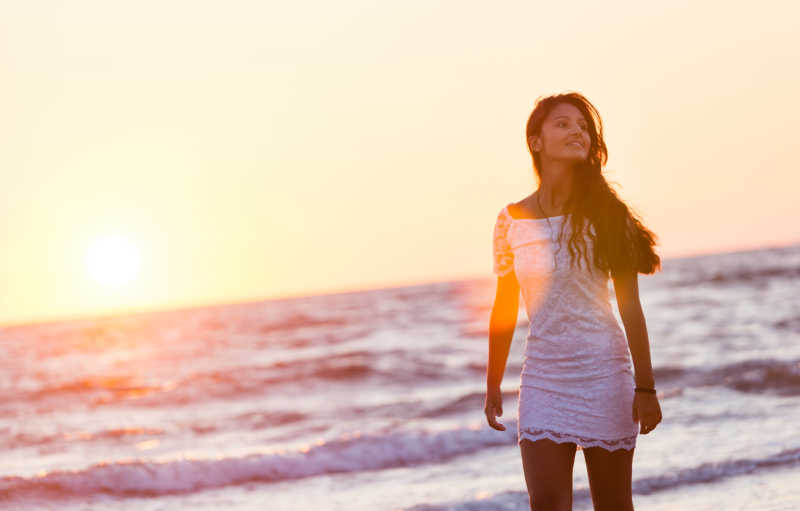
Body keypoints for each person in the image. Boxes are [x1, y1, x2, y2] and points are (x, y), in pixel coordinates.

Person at [484, 92, 663, 511]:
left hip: (606, 375)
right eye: (563, 124)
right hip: (544, 380)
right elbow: (504, 307)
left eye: (583, 126)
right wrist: (493, 382)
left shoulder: (607, 216)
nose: (576, 132)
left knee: (614, 505)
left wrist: (646, 386)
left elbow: (630, 306)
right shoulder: (510, 221)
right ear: (536, 141)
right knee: (546, 503)